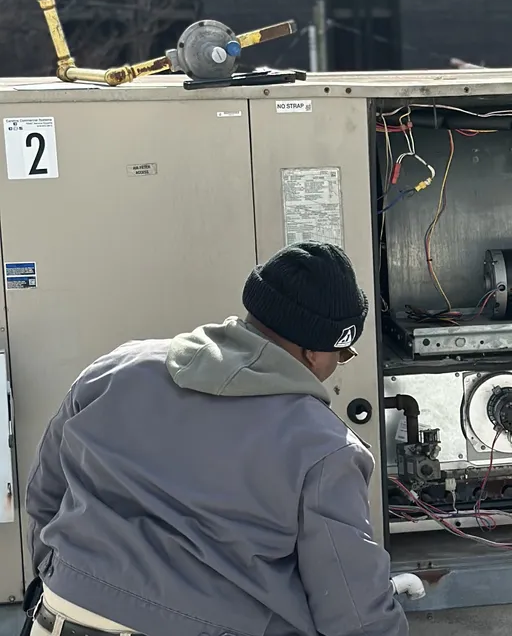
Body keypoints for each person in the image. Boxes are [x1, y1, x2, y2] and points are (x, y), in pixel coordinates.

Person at [24, 242, 418, 636]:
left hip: (61, 616)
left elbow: (45, 495)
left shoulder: (114, 370)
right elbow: (352, 611)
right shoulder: (325, 448)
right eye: (342, 354)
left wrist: (59, 577)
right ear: (314, 353)